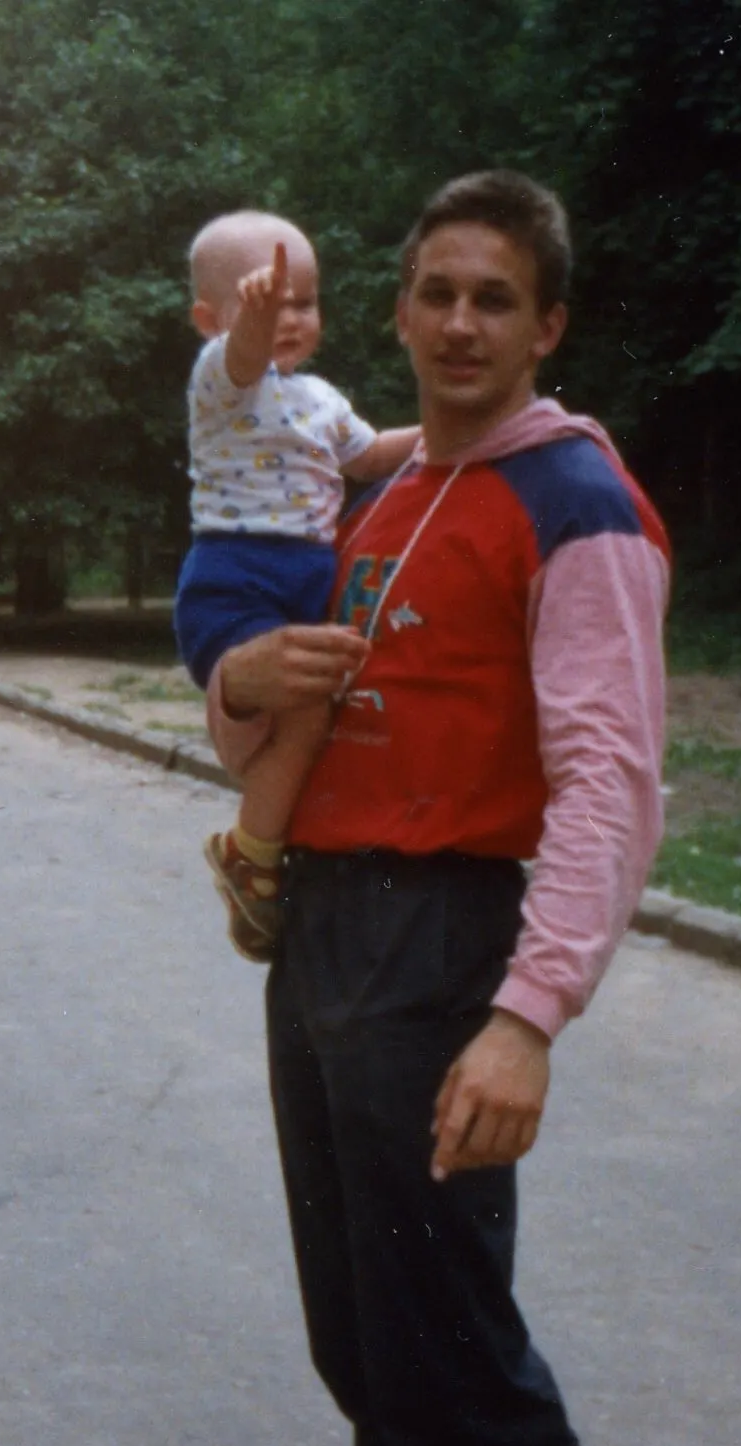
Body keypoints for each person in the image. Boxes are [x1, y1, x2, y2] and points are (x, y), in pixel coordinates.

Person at [205, 169, 674, 1446]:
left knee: (455, 1352)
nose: (459, 321)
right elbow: (265, 688)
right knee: (366, 1339)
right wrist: (236, 692)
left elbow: (612, 781)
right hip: (325, 926)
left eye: (496, 296)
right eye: (434, 292)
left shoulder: (574, 501)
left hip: (443, 942)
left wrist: (527, 1016)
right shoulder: (383, 488)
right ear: (397, 310)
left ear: (546, 323)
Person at [174, 209, 418, 959]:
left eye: (303, 302)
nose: (286, 318)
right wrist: (249, 323)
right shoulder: (221, 379)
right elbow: (245, 352)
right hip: (235, 579)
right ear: (210, 318)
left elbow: (372, 454)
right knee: (308, 713)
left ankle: (272, 837)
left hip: (304, 578)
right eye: (266, 302)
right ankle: (250, 849)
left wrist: (452, 427)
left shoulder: (319, 398)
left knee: (320, 712)